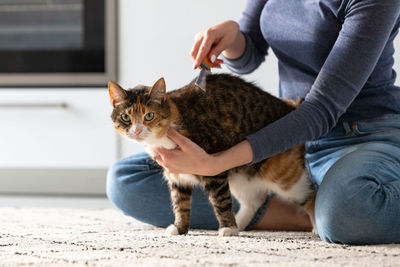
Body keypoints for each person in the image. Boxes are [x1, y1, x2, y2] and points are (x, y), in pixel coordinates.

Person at [107, 0, 400, 245]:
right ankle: (299, 209)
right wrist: (233, 37)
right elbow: (249, 56)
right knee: (126, 182)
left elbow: (322, 109)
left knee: (349, 214)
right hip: (286, 131)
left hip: (359, 134)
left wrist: (214, 164)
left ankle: (325, 207)